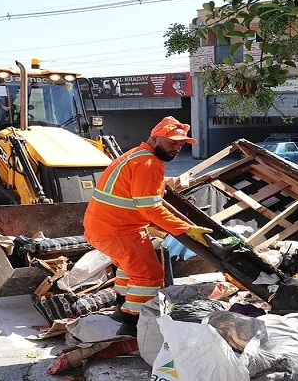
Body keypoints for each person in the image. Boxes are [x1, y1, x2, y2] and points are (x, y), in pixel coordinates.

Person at [83, 116, 213, 336]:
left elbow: (140, 202)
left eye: (181, 145)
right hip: (119, 230)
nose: (177, 148)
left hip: (103, 228)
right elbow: (150, 208)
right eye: (172, 142)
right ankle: (132, 327)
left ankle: (121, 308)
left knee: (129, 268)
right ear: (154, 139)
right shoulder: (149, 163)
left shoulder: (135, 155)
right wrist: (185, 228)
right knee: (149, 277)